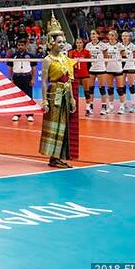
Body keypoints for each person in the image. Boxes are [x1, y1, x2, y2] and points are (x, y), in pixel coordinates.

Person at [39, 17, 77, 168]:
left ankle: (59, 156)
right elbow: (43, 81)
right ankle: (53, 157)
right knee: (55, 125)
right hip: (54, 93)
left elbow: (69, 80)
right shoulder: (47, 60)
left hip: (66, 93)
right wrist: (44, 100)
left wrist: (73, 99)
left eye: (63, 42)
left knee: (64, 125)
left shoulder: (65, 58)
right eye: (59, 42)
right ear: (51, 42)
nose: (61, 44)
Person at [7, 36, 36, 123]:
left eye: (22, 45)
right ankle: (16, 114)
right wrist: (11, 78)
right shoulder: (13, 56)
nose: (20, 47)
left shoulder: (30, 56)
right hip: (16, 77)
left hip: (27, 77)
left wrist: (33, 79)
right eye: (19, 45)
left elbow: (33, 68)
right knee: (17, 96)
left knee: (28, 96)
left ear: (25, 46)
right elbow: (10, 68)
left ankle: (29, 115)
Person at [84, 30, 109, 116]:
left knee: (102, 88)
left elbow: (106, 57)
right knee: (90, 88)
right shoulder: (88, 45)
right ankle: (90, 106)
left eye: (94, 34)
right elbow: (87, 58)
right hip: (92, 69)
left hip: (101, 69)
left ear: (98, 35)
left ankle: (104, 106)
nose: (92, 35)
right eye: (91, 34)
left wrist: (104, 66)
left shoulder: (102, 45)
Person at [104, 30, 126, 114]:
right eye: (110, 35)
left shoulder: (120, 45)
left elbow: (124, 57)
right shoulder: (105, 46)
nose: (111, 37)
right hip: (109, 69)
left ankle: (122, 106)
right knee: (110, 89)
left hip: (118, 69)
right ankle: (111, 106)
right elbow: (104, 57)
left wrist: (121, 67)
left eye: (113, 35)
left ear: (116, 37)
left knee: (120, 89)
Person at [68, 38, 91, 116]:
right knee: (74, 93)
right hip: (75, 75)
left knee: (87, 92)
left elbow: (89, 64)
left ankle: (88, 108)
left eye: (80, 42)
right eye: (77, 43)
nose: (79, 44)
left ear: (83, 44)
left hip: (85, 74)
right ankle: (73, 107)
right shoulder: (71, 53)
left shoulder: (87, 52)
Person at [121, 31, 135, 113]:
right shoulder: (119, 46)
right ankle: (124, 104)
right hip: (122, 67)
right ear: (121, 37)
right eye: (123, 36)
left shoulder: (133, 46)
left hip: (130, 66)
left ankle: (133, 105)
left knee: (131, 85)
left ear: (129, 37)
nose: (124, 37)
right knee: (122, 85)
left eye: (126, 36)